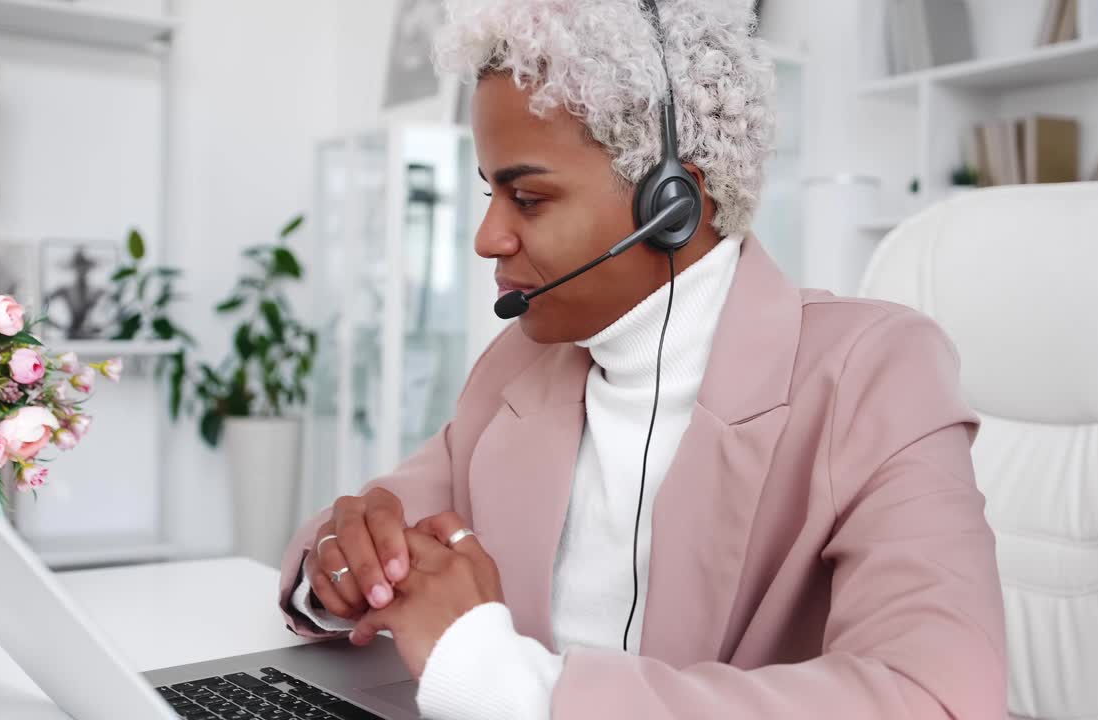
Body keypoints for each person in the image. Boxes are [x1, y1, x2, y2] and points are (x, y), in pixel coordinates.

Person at [277, 1, 1008, 717]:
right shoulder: (519, 363)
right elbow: (377, 521)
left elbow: (938, 696)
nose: (487, 238)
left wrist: (506, 686)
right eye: (488, 192)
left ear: (673, 205)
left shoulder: (876, 372)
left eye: (527, 199)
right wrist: (343, 566)